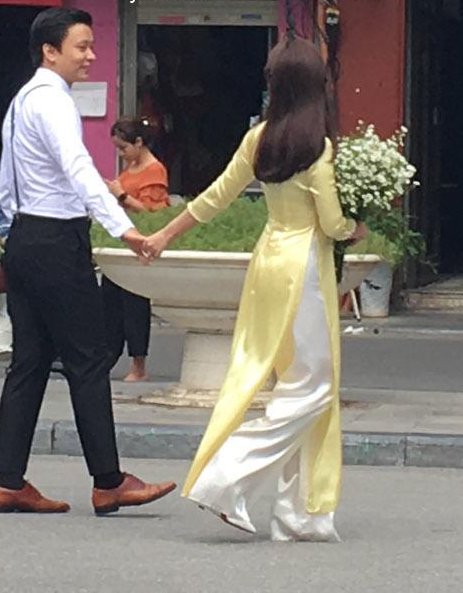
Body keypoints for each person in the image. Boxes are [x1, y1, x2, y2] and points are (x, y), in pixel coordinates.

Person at [141, 39, 364, 542]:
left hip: (268, 260)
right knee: (316, 385)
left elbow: (215, 197)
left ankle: (296, 514)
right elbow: (331, 223)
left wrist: (161, 235)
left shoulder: (259, 139)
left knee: (292, 383)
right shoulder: (319, 147)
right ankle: (229, 475)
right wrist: (358, 227)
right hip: (303, 265)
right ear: (316, 85)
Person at [0, 7, 175, 516]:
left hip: (26, 236)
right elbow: (78, 168)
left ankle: (8, 481)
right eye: (81, 47)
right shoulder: (52, 100)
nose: (91, 56)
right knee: (89, 358)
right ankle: (109, 480)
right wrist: (125, 227)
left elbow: (7, 181)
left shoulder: (23, 99)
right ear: (51, 51)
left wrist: (3, 236)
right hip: (54, 241)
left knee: (28, 360)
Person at [100, 117, 169, 382]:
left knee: (134, 306)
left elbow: (153, 211)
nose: (121, 154)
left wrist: (121, 196)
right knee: (109, 303)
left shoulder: (155, 170)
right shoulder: (130, 168)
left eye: (123, 148)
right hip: (121, 240)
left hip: (139, 242)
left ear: (138, 142)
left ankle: (138, 364)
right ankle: (107, 356)